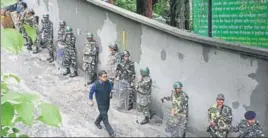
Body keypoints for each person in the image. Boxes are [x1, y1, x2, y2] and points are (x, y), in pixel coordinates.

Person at [89, 70, 116, 137]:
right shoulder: (96, 84)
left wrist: (111, 92)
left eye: (106, 76)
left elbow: (110, 88)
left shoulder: (108, 82)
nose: (106, 78)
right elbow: (91, 92)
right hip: (100, 103)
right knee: (105, 118)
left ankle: (97, 122)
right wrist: (91, 100)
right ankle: (111, 133)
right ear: (99, 77)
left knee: (103, 113)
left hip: (107, 102)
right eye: (104, 77)